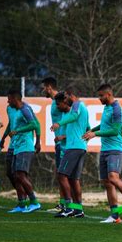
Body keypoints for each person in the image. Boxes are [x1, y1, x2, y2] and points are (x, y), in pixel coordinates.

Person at [83, 84, 122, 223]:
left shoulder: (117, 109)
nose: (99, 98)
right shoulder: (107, 107)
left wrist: (95, 134)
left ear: (108, 95)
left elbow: (115, 130)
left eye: (101, 96)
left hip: (116, 149)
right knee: (107, 182)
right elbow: (104, 126)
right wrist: (91, 130)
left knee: (114, 178)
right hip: (105, 149)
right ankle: (115, 215)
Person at [51, 85, 89, 218]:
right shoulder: (79, 108)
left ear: (71, 95)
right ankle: (78, 210)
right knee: (73, 179)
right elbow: (87, 128)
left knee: (61, 175)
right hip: (79, 146)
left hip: (74, 147)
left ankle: (68, 208)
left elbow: (73, 116)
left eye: (66, 97)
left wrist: (59, 123)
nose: (65, 99)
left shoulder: (77, 105)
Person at [7, 89, 42, 213]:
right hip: (17, 146)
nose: (7, 101)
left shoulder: (25, 110)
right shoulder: (14, 110)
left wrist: (18, 131)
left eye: (9, 99)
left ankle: (34, 202)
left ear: (15, 99)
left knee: (20, 175)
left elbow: (34, 124)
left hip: (26, 147)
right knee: (16, 176)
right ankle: (22, 204)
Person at [41, 77, 66, 213]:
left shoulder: (61, 100)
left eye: (43, 87)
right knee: (60, 173)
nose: (42, 90)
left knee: (64, 174)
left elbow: (70, 116)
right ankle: (63, 204)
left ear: (49, 87)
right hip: (59, 142)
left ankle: (68, 205)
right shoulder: (54, 102)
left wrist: (64, 135)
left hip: (64, 143)